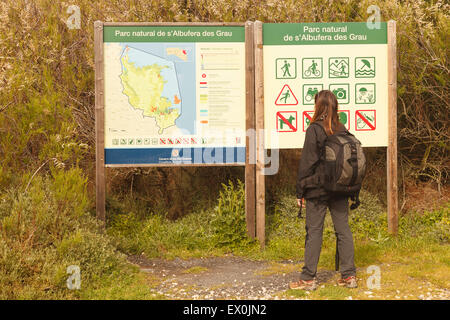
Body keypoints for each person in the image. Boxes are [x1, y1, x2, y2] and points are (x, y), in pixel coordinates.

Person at [289, 90, 357, 291]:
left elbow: (307, 164)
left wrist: (299, 191)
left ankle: (308, 279)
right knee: (343, 229)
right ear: (335, 107)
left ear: (317, 106)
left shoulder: (314, 130)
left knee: (314, 232)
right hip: (340, 188)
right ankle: (349, 276)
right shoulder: (341, 128)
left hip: (317, 190)